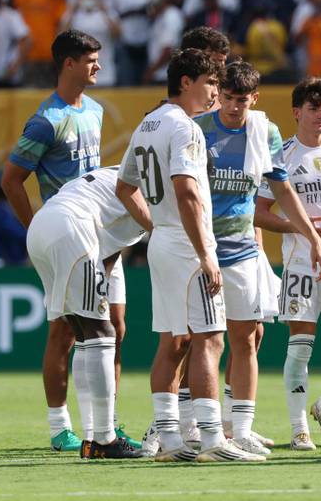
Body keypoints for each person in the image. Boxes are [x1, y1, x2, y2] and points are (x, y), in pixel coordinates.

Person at [1, 30, 142, 451]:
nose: (98, 66)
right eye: (91, 60)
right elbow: (10, 180)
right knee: (65, 331)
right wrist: (36, 226)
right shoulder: (47, 120)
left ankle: (107, 424)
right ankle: (59, 425)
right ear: (68, 63)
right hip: (68, 233)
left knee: (115, 327)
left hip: (101, 231)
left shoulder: (94, 110)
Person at [117, 48, 259, 463]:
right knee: (211, 339)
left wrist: (155, 227)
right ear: (186, 82)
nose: (216, 90)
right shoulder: (186, 129)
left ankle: (172, 442)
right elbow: (188, 192)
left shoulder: (148, 123)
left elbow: (125, 187)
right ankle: (214, 441)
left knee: (172, 341)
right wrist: (205, 253)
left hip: (163, 240)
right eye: (211, 82)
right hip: (187, 243)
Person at [195, 62, 321, 456]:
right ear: (220, 95)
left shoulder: (264, 132)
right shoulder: (199, 131)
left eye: (243, 99)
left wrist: (312, 235)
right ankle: (185, 425)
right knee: (197, 339)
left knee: (247, 339)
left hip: (244, 252)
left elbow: (283, 192)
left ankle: (241, 427)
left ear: (255, 98)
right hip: (201, 249)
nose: (235, 107)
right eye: (229, 98)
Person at [254, 77, 321, 452]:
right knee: (300, 348)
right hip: (299, 263)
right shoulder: (284, 155)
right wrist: (300, 227)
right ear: (297, 112)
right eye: (313, 108)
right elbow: (259, 214)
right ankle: (299, 429)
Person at [28, 167, 148, 458]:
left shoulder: (133, 165)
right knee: (102, 331)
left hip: (43, 227)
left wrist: (100, 288)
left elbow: (113, 245)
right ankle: (104, 440)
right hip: (71, 228)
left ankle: (94, 434)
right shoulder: (159, 184)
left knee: (84, 333)